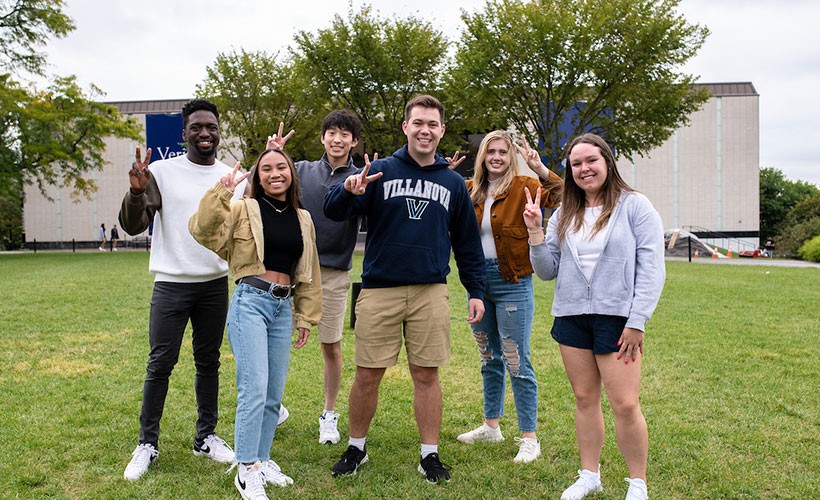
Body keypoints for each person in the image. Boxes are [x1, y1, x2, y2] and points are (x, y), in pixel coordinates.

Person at [324, 94, 486, 483]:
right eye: (418, 123)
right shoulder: (378, 171)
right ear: (406, 127)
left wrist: (476, 289)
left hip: (430, 289)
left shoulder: (452, 182)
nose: (425, 130)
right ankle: (356, 447)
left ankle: (429, 455)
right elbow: (332, 211)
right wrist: (349, 191)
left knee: (426, 374)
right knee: (367, 374)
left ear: (441, 130)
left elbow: (467, 242)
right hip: (380, 289)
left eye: (432, 124)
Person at [525, 133, 665, 500]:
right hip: (572, 317)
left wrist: (637, 320)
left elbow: (652, 269)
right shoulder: (564, 213)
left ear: (607, 162)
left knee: (625, 403)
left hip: (617, 319)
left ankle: (638, 482)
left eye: (591, 161)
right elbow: (546, 270)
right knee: (585, 399)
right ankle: (590, 475)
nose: (584, 169)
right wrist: (536, 233)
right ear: (569, 171)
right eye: (576, 164)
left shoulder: (635, 206)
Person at [189, 149, 322, 499]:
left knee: (273, 393)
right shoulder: (243, 209)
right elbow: (201, 229)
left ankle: (261, 460)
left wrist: (305, 315)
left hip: (283, 306)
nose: (275, 173)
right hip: (250, 303)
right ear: (258, 177)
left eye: (281, 167)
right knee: (254, 386)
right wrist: (222, 189)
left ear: (291, 173)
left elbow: (309, 272)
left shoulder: (303, 218)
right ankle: (245, 468)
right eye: (266, 169)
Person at [118, 99, 238, 481]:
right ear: (184, 132)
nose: (205, 133)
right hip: (171, 284)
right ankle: (147, 443)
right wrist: (137, 192)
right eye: (197, 127)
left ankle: (206, 437)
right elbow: (134, 226)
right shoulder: (161, 172)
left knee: (209, 363)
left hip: (215, 284)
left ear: (219, 132)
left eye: (211, 127)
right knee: (160, 364)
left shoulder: (232, 175)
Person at [455, 130, 563, 463]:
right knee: (489, 357)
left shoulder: (525, 187)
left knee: (517, 358)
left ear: (510, 156)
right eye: (491, 152)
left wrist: (540, 169)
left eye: (503, 152)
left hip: (512, 281)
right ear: (483, 157)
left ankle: (529, 437)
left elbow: (562, 195)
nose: (497, 157)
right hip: (477, 284)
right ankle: (491, 425)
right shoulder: (469, 189)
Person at [266, 110, 365, 445]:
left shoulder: (361, 177)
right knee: (274, 341)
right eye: (331, 132)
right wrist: (272, 155)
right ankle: (272, 407)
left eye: (345, 134)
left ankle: (328, 414)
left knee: (331, 346)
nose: (337, 139)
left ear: (354, 141)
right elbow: (262, 186)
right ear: (323, 137)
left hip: (335, 274)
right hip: (291, 270)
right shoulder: (301, 170)